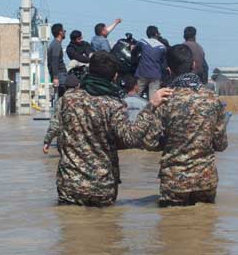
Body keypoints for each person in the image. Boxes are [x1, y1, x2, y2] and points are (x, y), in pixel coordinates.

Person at [49, 51, 172, 207]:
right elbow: (131, 138)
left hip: (68, 186)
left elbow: (57, 132)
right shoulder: (114, 105)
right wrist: (151, 106)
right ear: (114, 77)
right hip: (101, 188)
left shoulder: (67, 99)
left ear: (89, 71)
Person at [142, 44, 228, 207]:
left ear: (168, 70)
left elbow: (149, 142)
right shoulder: (213, 99)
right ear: (194, 65)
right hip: (206, 181)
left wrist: (170, 142)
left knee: (172, 230)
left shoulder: (164, 100)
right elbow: (221, 144)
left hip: (174, 183)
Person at [43, 74, 81, 154]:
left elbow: (55, 124)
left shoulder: (61, 101)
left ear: (66, 87)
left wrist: (47, 142)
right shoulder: (87, 100)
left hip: (66, 145)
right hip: (85, 145)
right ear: (78, 86)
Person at [132, 25, 167, 98]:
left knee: (135, 96)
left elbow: (134, 51)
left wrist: (134, 60)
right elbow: (163, 63)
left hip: (142, 73)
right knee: (153, 99)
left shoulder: (142, 42)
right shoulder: (162, 47)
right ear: (156, 34)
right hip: (155, 75)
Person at [48, 23, 68, 97]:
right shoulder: (56, 45)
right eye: (64, 31)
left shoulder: (54, 44)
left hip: (59, 75)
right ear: (60, 32)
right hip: (60, 75)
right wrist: (56, 78)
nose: (65, 32)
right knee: (63, 96)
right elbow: (55, 61)